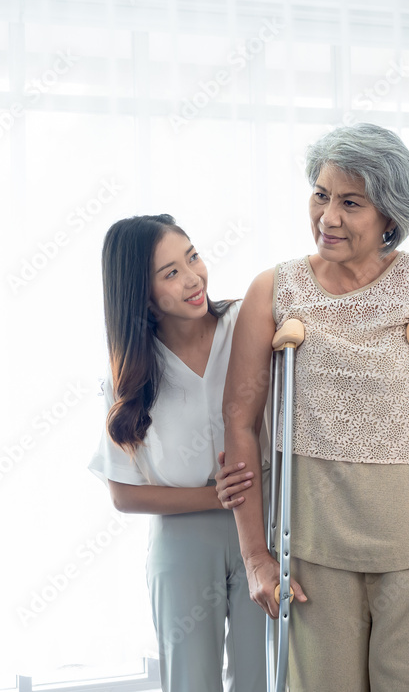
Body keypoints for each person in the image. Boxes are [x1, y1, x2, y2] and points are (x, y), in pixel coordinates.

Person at [218, 123, 409, 691]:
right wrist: (255, 556)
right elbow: (239, 422)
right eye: (321, 195)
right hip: (313, 547)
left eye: (351, 202)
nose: (328, 217)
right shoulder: (273, 290)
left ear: (389, 214)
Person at [87, 214, 270, 692]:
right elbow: (124, 495)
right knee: (191, 681)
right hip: (183, 538)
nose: (193, 278)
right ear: (141, 294)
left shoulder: (248, 323)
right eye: (170, 273)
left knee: (265, 676)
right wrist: (218, 498)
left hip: (265, 525)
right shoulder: (128, 378)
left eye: (193, 257)